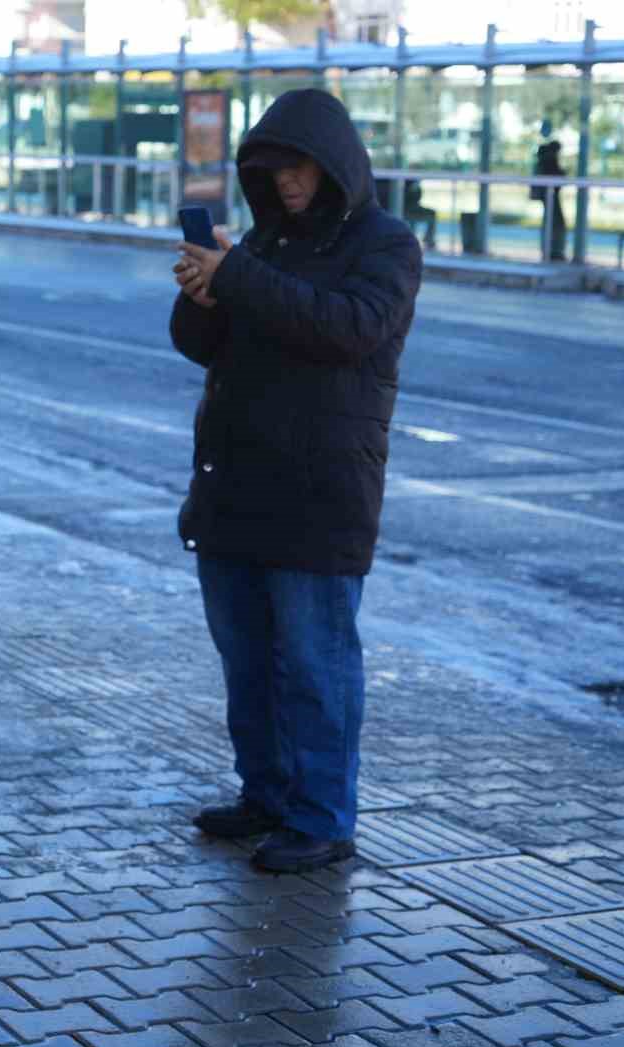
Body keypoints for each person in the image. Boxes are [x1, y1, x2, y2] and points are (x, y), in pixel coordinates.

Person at [169, 89, 423, 874]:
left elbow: (348, 329)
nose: (286, 184)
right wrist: (202, 294)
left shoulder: (386, 245)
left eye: (300, 169)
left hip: (320, 495)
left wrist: (240, 276)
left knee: (315, 666)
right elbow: (207, 346)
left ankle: (323, 818)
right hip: (237, 487)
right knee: (247, 664)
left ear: (337, 164)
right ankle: (267, 796)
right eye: (272, 171)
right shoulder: (265, 244)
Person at [531, 132, 568, 262]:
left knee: (552, 222)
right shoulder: (549, 160)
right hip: (549, 195)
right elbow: (556, 177)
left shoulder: (547, 159)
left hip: (549, 195)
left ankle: (552, 250)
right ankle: (553, 251)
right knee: (555, 223)